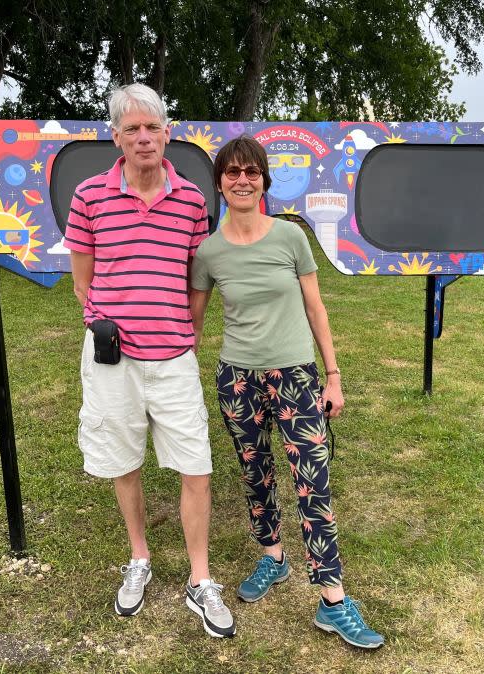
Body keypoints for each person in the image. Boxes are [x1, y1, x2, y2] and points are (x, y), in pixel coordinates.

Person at [189, 135, 384, 649]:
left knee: (312, 482)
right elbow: (194, 320)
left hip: (296, 377)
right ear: (220, 183)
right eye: (232, 172)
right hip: (238, 379)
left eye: (251, 171)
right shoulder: (208, 250)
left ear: (264, 180)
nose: (242, 180)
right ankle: (273, 557)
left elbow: (316, 309)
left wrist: (333, 375)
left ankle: (333, 600)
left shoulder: (290, 237)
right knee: (256, 475)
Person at [64, 83, 234, 638]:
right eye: (131, 128)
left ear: (168, 133)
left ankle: (199, 578)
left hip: (174, 358)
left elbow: (195, 279)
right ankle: (139, 558)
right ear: (116, 138)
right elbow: (83, 280)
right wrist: (102, 323)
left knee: (197, 466)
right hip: (114, 359)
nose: (143, 137)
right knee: (123, 460)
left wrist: (184, 329)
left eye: (152, 127)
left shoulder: (191, 201)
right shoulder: (89, 196)